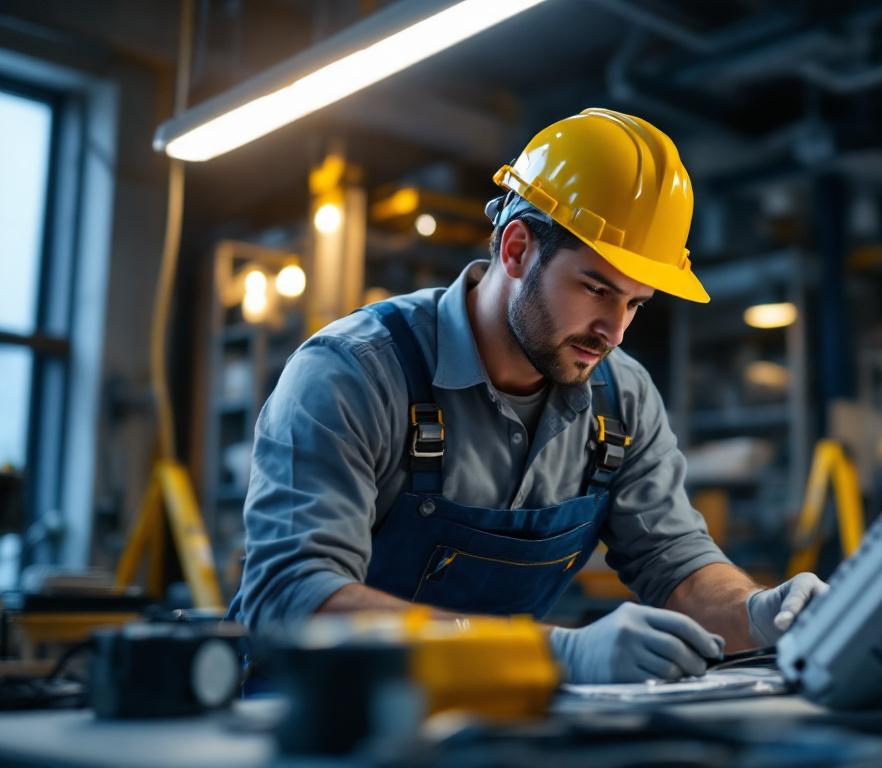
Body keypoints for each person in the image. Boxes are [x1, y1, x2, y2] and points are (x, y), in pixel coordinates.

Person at [228, 108, 827, 683]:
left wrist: (760, 613)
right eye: (596, 288)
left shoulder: (621, 398)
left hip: (482, 724)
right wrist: (552, 654)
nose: (614, 331)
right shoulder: (353, 374)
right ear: (516, 250)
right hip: (308, 726)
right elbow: (290, 597)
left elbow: (676, 563)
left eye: (635, 303)